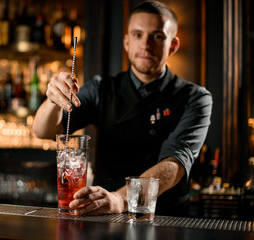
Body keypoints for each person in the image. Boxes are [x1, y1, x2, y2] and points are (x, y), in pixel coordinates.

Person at [32, 0, 212, 217]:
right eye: (137, 35)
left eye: (157, 36)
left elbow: (175, 163)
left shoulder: (195, 98)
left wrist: (120, 198)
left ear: (172, 46)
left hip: (165, 220)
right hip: (101, 215)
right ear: (126, 42)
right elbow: (43, 131)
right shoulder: (101, 89)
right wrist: (53, 100)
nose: (145, 44)